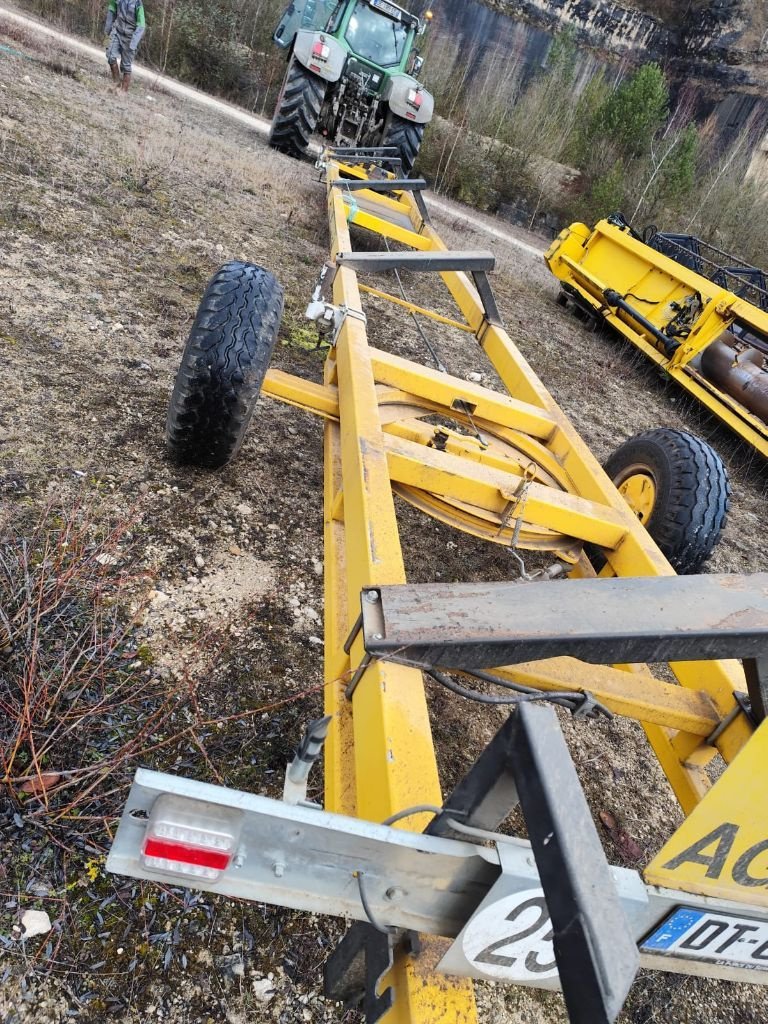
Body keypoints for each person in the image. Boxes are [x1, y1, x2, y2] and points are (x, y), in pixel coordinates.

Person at [105, 0, 146, 93]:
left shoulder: (138, 3)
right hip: (117, 31)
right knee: (110, 56)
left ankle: (123, 92)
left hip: (130, 36)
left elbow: (141, 25)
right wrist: (108, 29)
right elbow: (111, 12)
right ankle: (116, 83)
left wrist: (134, 42)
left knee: (126, 66)